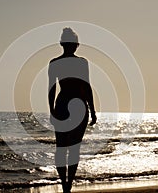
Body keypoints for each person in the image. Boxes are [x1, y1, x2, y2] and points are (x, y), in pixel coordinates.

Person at [48, 27, 97, 193]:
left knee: (61, 147)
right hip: (78, 105)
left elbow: (51, 89)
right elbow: (87, 86)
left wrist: (52, 110)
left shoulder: (54, 63)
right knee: (73, 148)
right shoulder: (81, 62)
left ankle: (65, 185)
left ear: (62, 43)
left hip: (63, 104)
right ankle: (67, 185)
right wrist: (93, 109)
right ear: (76, 45)